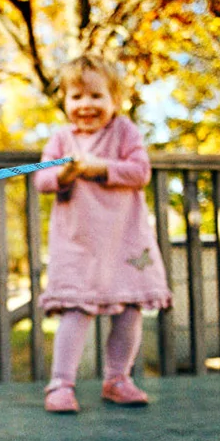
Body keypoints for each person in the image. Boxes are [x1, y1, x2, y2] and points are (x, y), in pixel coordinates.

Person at [33, 55, 172, 413]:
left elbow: (140, 171)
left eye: (96, 96)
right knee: (76, 308)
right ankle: (60, 384)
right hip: (78, 243)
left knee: (129, 308)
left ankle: (117, 378)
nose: (86, 105)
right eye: (76, 97)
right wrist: (63, 175)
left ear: (114, 100)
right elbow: (42, 180)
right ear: (65, 102)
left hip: (125, 240)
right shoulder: (62, 140)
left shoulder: (124, 131)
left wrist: (98, 168)